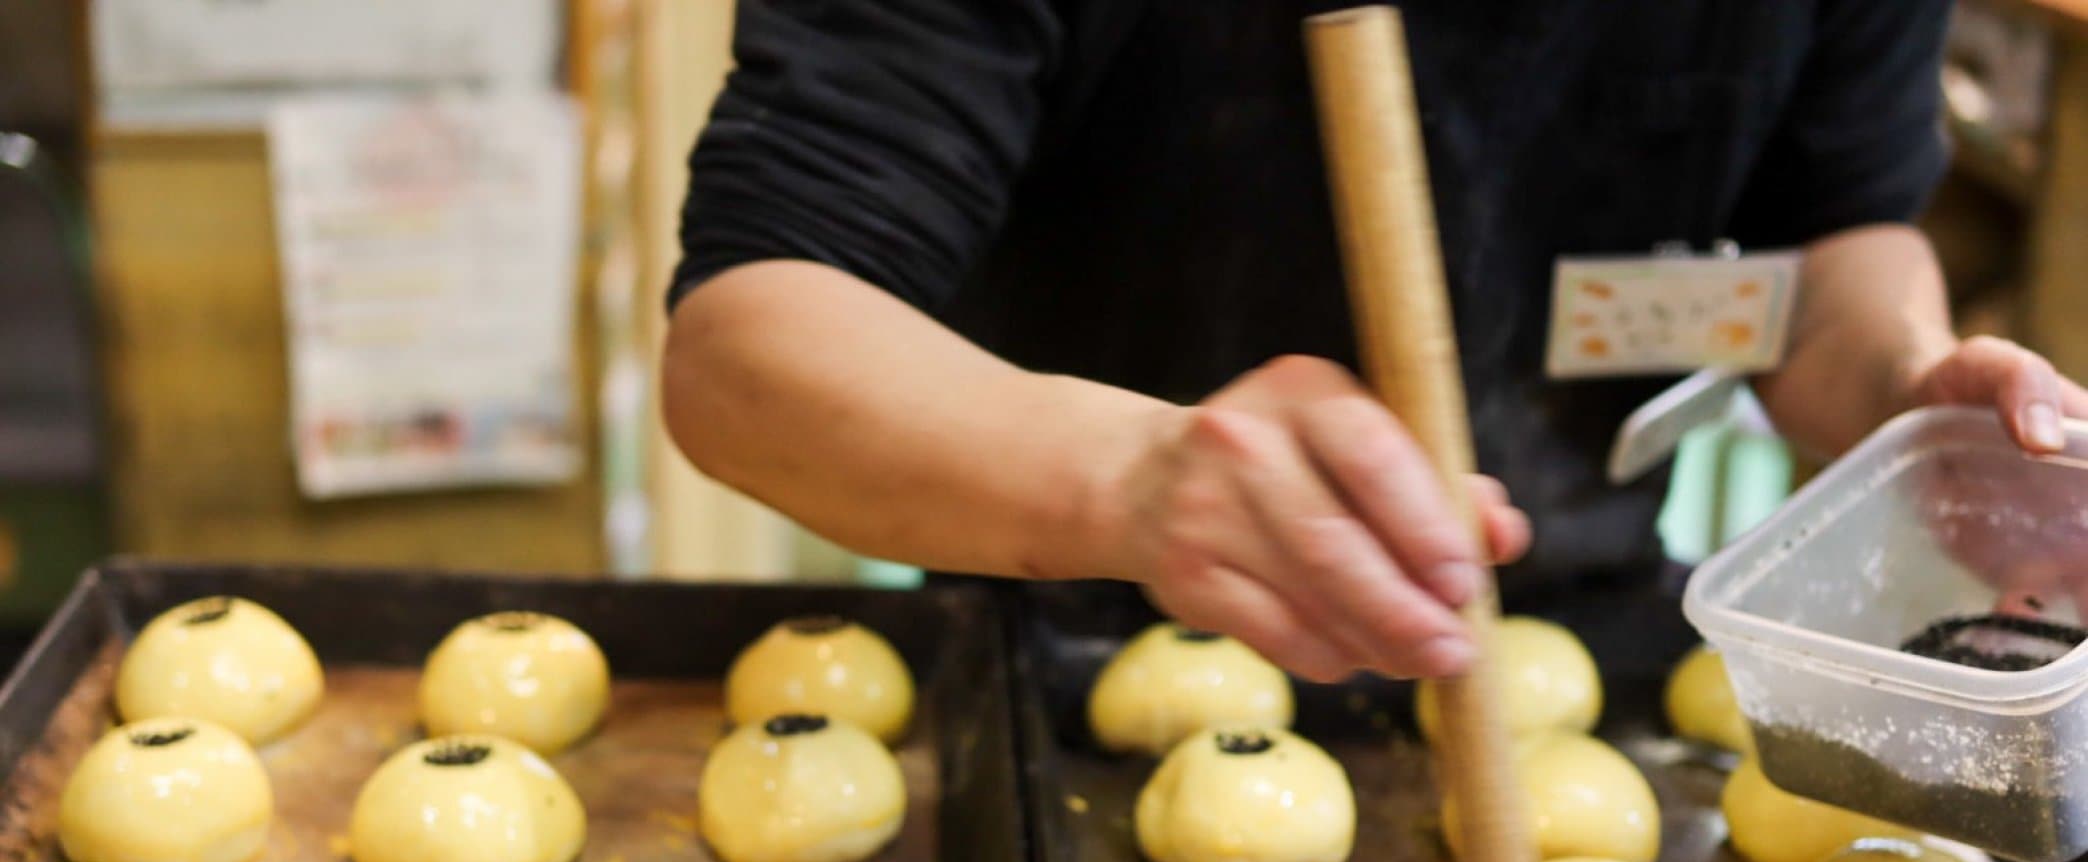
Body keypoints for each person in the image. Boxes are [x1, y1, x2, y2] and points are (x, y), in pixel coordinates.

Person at [661, 1, 2088, 683]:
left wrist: (1907, 382)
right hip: (1083, 656)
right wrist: (1133, 479)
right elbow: (747, 345)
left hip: (1580, 661)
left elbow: (1830, 233)